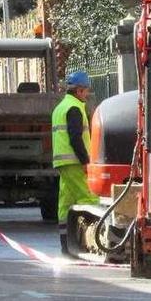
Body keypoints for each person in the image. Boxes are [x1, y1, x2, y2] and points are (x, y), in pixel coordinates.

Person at [51, 70, 99, 254]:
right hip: (74, 162)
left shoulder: (60, 107)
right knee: (89, 198)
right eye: (86, 90)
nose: (87, 94)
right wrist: (86, 162)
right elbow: (75, 138)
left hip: (63, 164)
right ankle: (91, 242)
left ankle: (66, 245)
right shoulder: (74, 108)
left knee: (66, 202)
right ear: (79, 90)